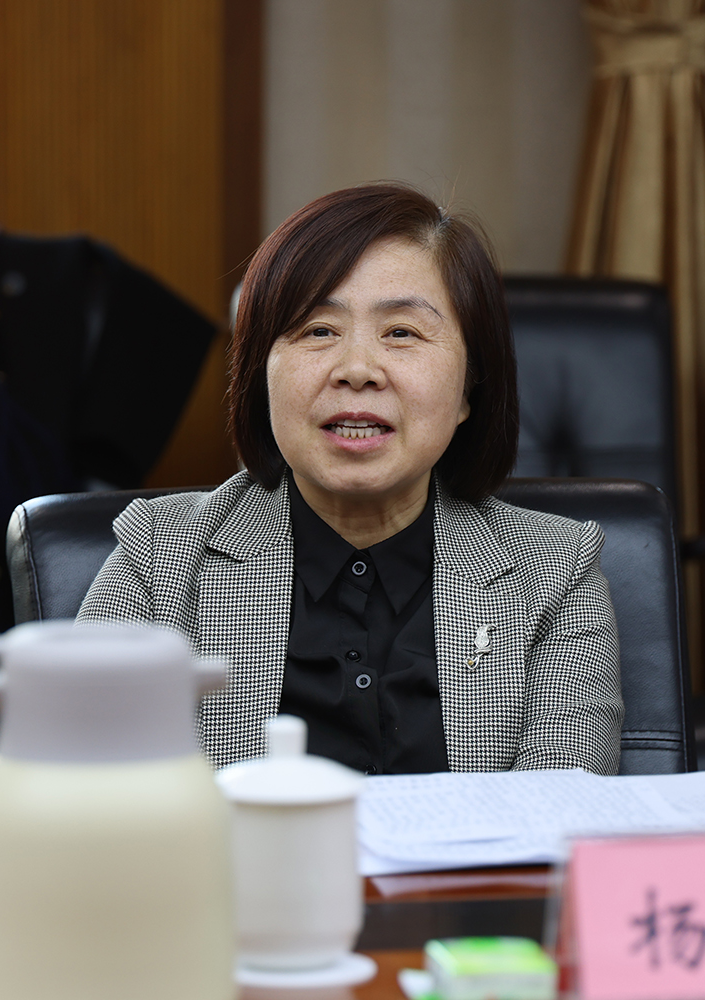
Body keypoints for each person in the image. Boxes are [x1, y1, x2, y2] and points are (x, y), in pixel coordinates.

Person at [77, 183, 623, 774]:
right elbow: (89, 782)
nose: (357, 369)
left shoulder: (556, 573)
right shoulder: (158, 557)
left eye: (402, 332)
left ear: (470, 388)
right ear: (260, 377)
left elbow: (557, 806)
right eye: (318, 330)